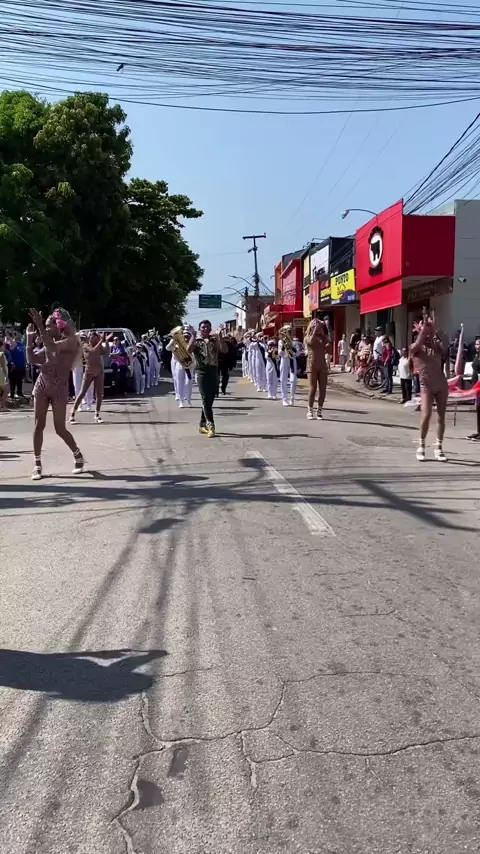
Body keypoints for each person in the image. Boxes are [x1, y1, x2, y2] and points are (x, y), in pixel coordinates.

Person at [26, 308, 84, 480]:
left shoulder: (71, 342)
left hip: (59, 389)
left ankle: (78, 455)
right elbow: (32, 359)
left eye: (48, 325)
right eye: (45, 326)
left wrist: (39, 326)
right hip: (42, 386)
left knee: (60, 429)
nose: (46, 329)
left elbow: (53, 348)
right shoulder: (48, 343)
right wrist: (29, 340)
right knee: (38, 425)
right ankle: (37, 464)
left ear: (59, 326)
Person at [410, 311, 448, 462]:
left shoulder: (436, 345)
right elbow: (413, 348)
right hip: (426, 384)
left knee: (441, 416)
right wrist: (423, 332)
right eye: (426, 331)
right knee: (426, 415)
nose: (428, 334)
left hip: (441, 383)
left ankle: (439, 447)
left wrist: (438, 335)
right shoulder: (417, 347)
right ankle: (421, 444)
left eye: (430, 332)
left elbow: (445, 350)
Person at [187, 320, 226, 437]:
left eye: (208, 327)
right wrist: (193, 336)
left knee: (210, 399)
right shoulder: (196, 341)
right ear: (199, 329)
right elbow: (189, 350)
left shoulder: (214, 340)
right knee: (205, 398)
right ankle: (211, 425)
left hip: (213, 371)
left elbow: (224, 350)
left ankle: (202, 424)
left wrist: (220, 336)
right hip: (201, 372)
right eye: (203, 327)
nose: (205, 329)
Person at [69, 330, 112, 423]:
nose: (93, 339)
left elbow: (106, 352)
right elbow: (92, 351)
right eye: (91, 337)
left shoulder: (98, 345)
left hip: (99, 371)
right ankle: (72, 414)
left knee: (99, 394)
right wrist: (101, 341)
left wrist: (106, 342)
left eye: (95, 337)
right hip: (89, 372)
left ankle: (97, 415)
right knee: (82, 392)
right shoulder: (85, 345)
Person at [304, 318, 329, 420]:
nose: (318, 328)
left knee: (323, 389)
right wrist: (315, 330)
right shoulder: (308, 337)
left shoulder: (323, 337)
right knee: (313, 388)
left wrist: (325, 328)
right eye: (315, 326)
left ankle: (319, 410)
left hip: (322, 365)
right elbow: (310, 342)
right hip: (311, 365)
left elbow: (329, 344)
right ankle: (310, 410)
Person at [467, 336, 480, 441]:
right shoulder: (477, 355)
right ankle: (478, 431)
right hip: (476, 386)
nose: (476, 346)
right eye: (476, 344)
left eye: (478, 344)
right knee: (478, 409)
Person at [8, 331, 26, 399]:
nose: (19, 335)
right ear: (13, 336)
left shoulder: (21, 344)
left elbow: (24, 354)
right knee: (13, 380)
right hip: (14, 366)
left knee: (19, 380)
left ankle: (19, 392)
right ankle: (12, 393)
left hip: (21, 365)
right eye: (16, 334)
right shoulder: (12, 344)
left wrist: (25, 362)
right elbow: (11, 349)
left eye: (19, 334)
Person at [0, 338, 8, 411]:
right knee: (6, 390)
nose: (4, 347)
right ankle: (2, 406)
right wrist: (6, 376)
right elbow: (3, 366)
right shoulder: (1, 354)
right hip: (1, 374)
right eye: (3, 346)